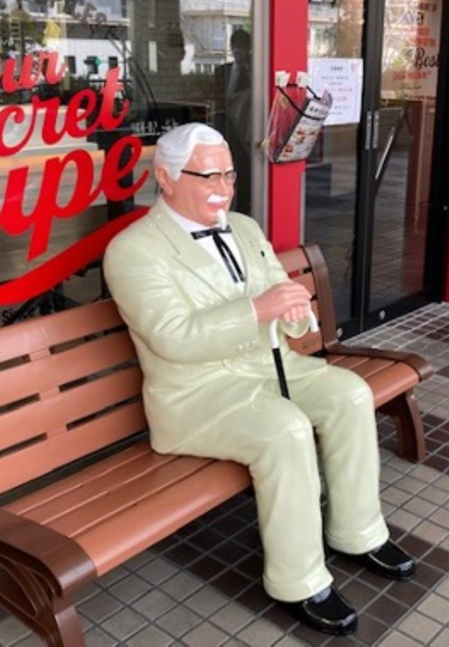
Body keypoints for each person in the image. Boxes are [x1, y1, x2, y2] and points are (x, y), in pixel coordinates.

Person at [103, 123, 416, 636]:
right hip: (197, 394)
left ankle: (358, 532)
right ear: (165, 177)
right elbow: (173, 338)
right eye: (208, 176)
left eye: (229, 175)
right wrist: (256, 310)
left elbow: (278, 290)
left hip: (272, 368)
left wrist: (295, 312)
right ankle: (300, 579)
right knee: (285, 430)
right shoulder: (134, 250)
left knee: (350, 394)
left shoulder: (244, 227)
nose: (223, 189)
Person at [214, 28, 253, 214]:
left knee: (244, 169)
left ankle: (244, 207)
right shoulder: (222, 71)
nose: (238, 49)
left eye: (242, 46)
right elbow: (214, 96)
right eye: (235, 45)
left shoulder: (255, 72)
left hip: (245, 128)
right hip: (224, 126)